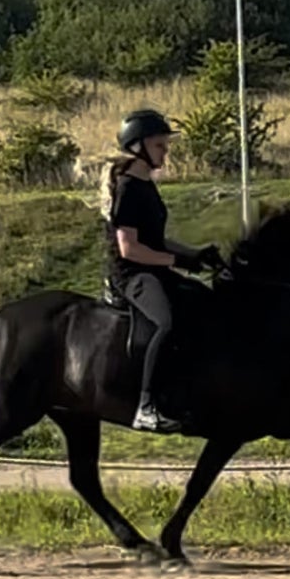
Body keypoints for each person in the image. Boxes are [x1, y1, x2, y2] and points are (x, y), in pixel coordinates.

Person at [102, 109, 224, 433]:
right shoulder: (128, 188)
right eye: (159, 145)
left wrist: (194, 255)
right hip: (131, 276)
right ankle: (146, 406)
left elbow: (156, 239)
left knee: (203, 302)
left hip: (151, 268)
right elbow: (130, 249)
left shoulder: (145, 185)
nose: (165, 152)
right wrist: (176, 262)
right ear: (138, 147)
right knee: (166, 323)